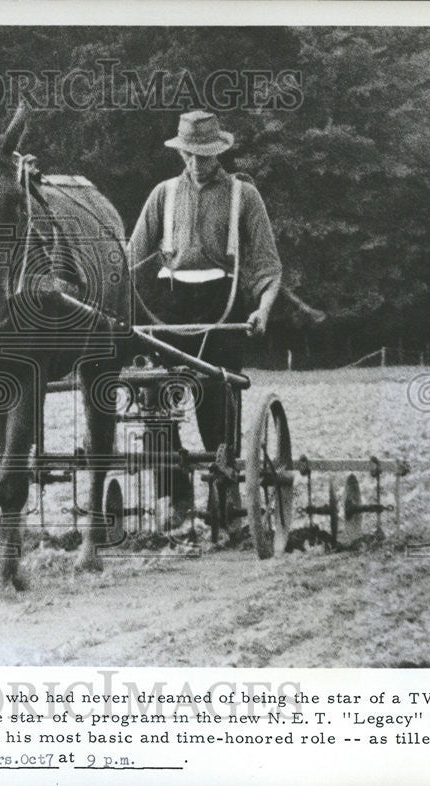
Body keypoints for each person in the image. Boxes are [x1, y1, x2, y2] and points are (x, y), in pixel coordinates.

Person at [128, 110, 284, 530]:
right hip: (170, 304)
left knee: (217, 402)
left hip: (222, 302)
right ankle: (174, 500)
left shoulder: (243, 197)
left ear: (219, 152)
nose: (197, 163)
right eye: (190, 155)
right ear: (181, 153)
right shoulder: (162, 194)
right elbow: (131, 261)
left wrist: (262, 309)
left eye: (205, 155)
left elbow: (269, 267)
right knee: (154, 402)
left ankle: (224, 497)